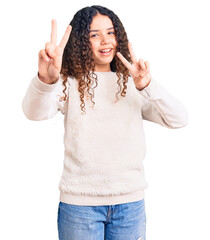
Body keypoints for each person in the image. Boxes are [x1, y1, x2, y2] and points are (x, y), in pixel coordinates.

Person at [22, 5, 188, 240]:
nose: (105, 40)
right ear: (80, 41)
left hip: (129, 206)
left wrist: (147, 86)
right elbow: (33, 112)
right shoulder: (69, 83)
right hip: (80, 207)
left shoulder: (133, 83)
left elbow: (179, 119)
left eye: (110, 32)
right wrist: (46, 80)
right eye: (94, 35)